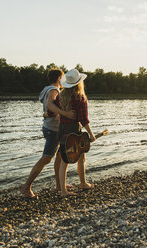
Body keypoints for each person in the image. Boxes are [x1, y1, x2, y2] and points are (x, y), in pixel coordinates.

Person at [20, 69, 76, 199]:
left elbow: (48, 108)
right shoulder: (54, 90)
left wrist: (52, 113)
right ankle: (26, 187)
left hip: (52, 127)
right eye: (62, 78)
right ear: (58, 79)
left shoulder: (47, 89)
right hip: (52, 129)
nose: (64, 81)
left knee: (60, 156)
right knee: (46, 158)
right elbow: (50, 105)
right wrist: (66, 114)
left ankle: (59, 185)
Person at [56, 68, 96, 197]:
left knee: (64, 160)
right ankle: (83, 183)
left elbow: (52, 111)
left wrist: (47, 114)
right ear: (79, 83)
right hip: (74, 130)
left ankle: (63, 190)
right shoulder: (80, 97)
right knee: (81, 157)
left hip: (62, 129)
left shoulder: (60, 96)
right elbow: (83, 119)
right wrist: (91, 134)